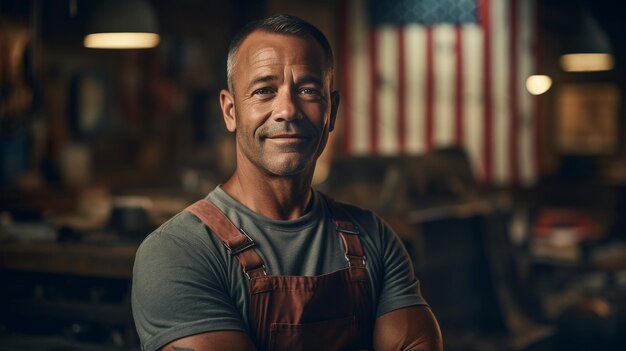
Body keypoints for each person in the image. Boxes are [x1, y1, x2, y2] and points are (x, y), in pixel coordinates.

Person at [131, 14, 442, 351]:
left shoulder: (374, 239)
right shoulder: (178, 251)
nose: (287, 110)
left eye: (308, 90)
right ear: (230, 111)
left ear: (331, 111)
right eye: (264, 91)